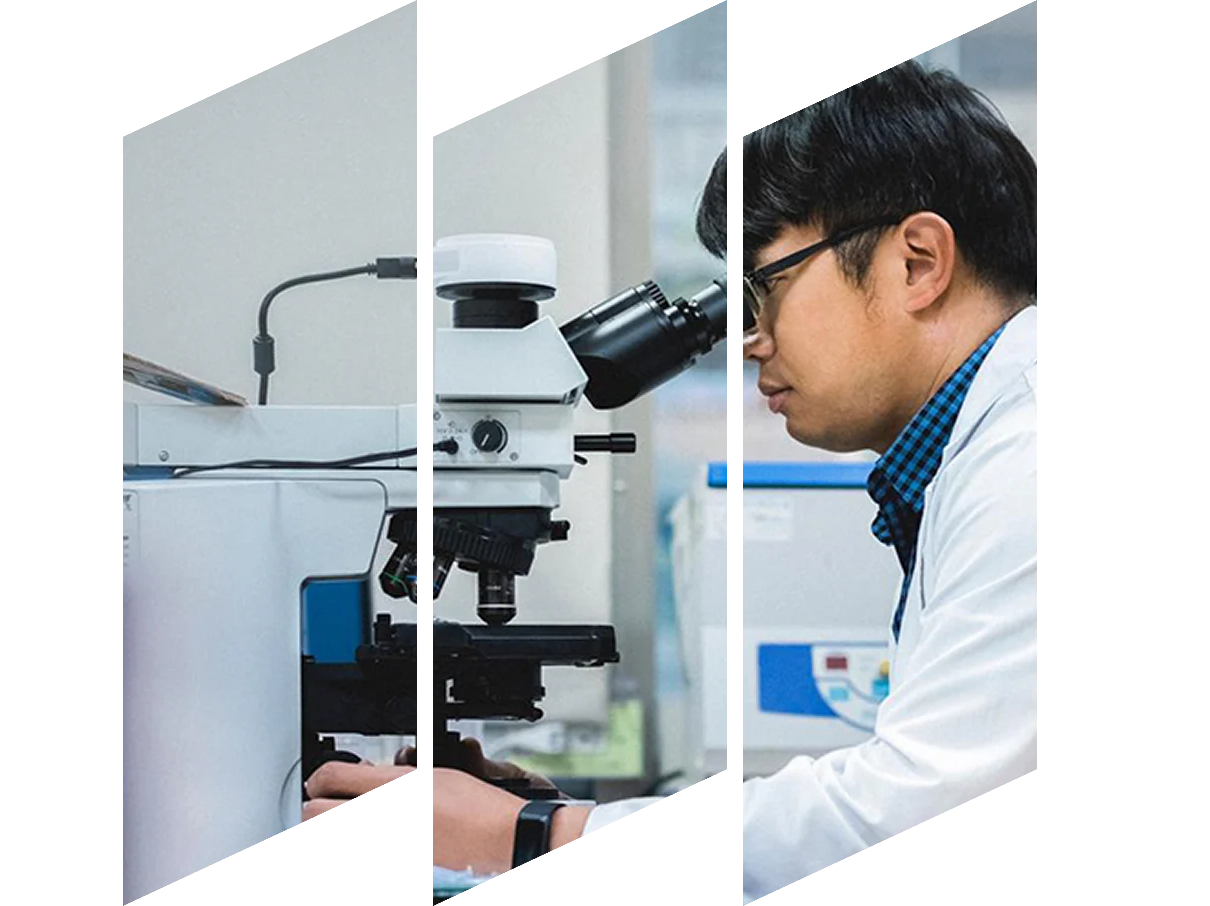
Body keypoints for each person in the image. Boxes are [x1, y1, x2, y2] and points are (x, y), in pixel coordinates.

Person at [307, 59, 1038, 896]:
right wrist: (555, 821)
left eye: (763, 289)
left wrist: (531, 835)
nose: (749, 341)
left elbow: (902, 813)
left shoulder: (1023, 462)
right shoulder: (977, 455)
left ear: (916, 262)